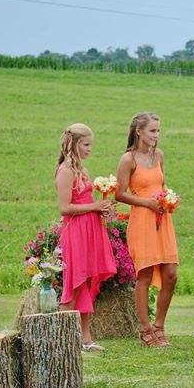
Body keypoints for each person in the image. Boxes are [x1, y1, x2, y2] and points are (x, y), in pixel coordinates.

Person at [115, 113, 178, 348]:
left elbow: (161, 185)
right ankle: (145, 329)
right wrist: (147, 203)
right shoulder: (128, 159)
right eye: (152, 131)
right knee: (146, 274)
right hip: (142, 220)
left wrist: (168, 198)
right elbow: (119, 194)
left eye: (158, 131)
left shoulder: (158, 155)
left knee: (171, 273)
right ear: (139, 131)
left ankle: (160, 326)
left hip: (163, 219)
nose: (156, 135)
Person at [55, 123, 117, 351]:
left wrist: (103, 208)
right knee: (75, 281)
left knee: (88, 282)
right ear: (74, 144)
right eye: (86, 144)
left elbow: (87, 202)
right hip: (75, 231)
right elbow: (64, 208)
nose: (90, 149)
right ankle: (62, 338)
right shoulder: (65, 171)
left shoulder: (82, 170)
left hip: (90, 229)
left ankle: (85, 338)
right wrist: (94, 206)